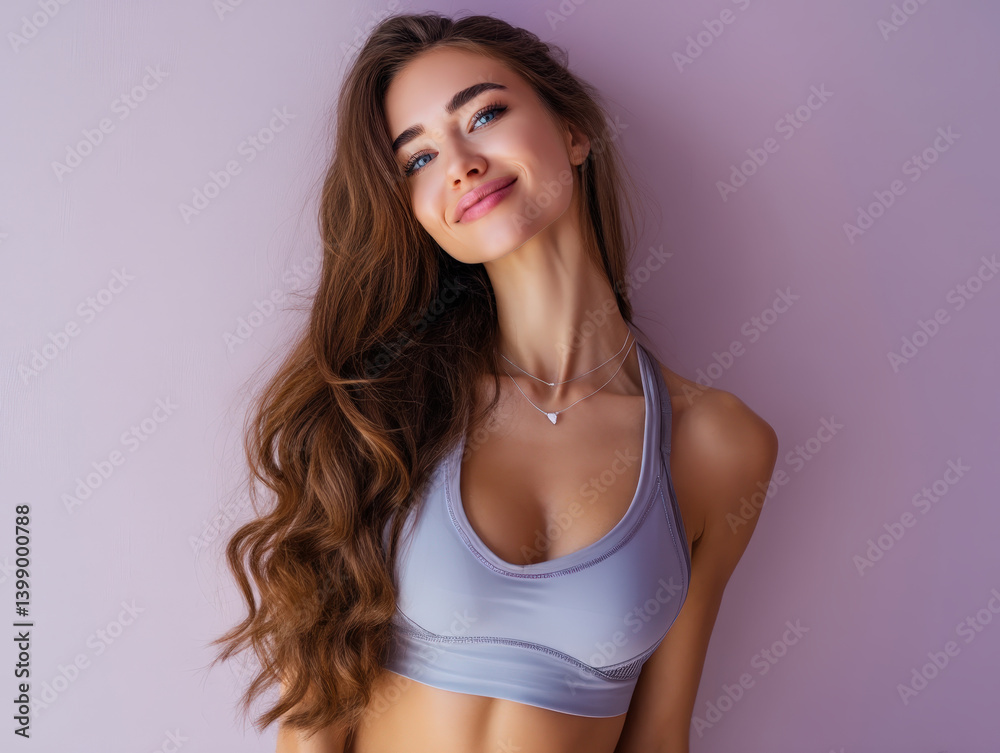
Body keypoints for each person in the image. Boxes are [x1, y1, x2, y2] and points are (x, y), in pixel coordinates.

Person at [211, 12, 778, 753]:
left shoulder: (719, 445)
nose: (460, 163)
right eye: (418, 159)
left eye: (483, 115)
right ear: (415, 213)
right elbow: (313, 719)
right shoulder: (382, 410)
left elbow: (661, 734)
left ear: (573, 132)